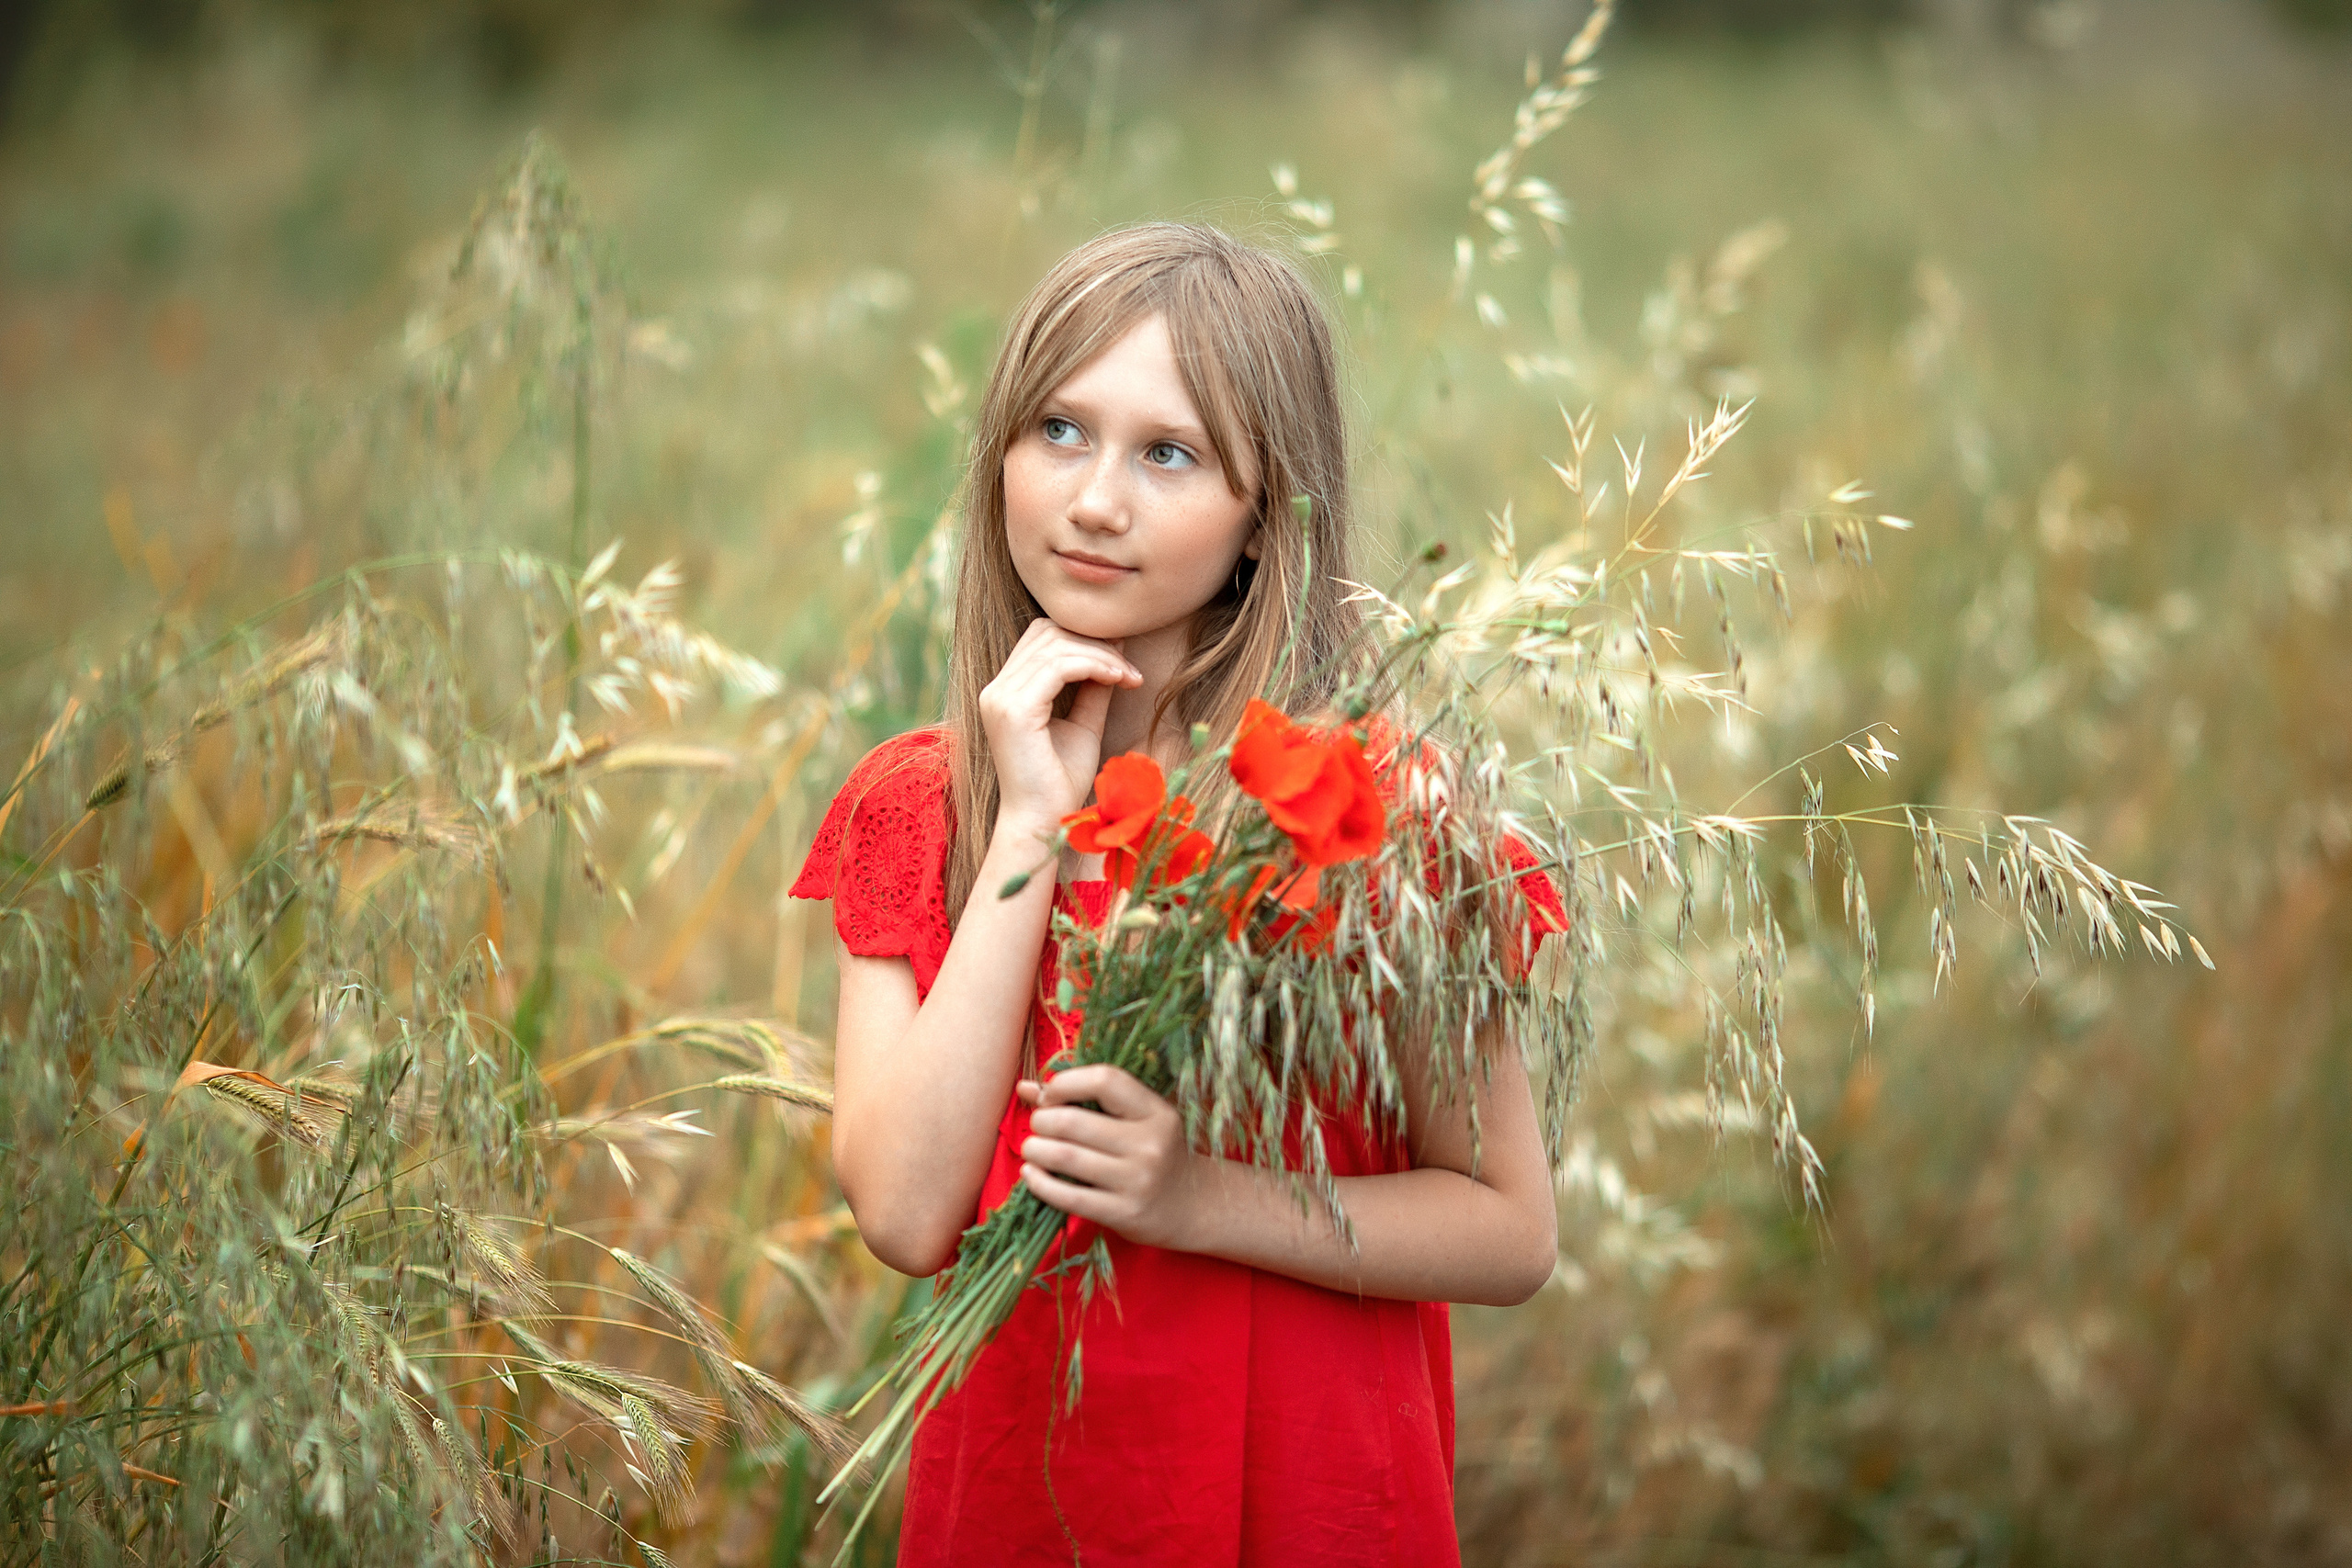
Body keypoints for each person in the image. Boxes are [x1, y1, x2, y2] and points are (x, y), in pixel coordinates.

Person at [789, 222, 1564, 1566]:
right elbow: (907, 1214)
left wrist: (1198, 1199)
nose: (1095, 501)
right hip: (1030, 1505)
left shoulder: (1367, 814)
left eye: (1170, 453)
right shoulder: (929, 804)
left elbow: (1507, 1230)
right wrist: (1032, 820)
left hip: (1313, 1506)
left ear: (1266, 507)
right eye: (1059, 430)